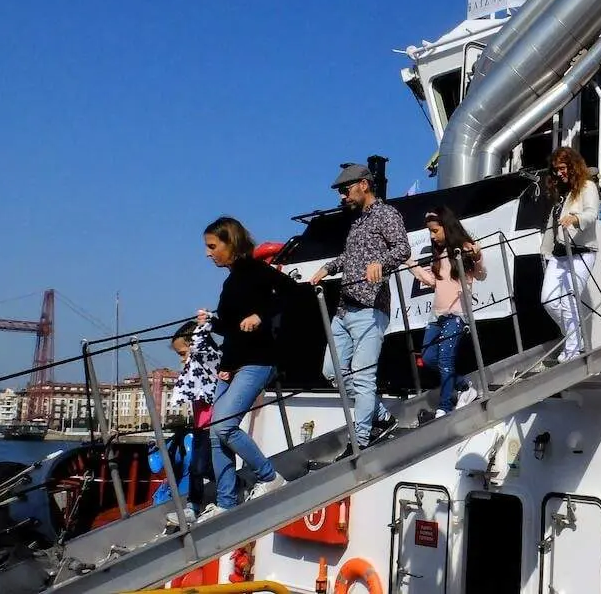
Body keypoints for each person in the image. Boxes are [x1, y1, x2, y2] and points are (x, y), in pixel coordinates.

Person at [197, 216, 295, 521]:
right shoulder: (230, 281)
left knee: (224, 426)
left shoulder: (254, 270)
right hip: (233, 364)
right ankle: (226, 502)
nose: (208, 253)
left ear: (231, 243)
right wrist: (212, 321)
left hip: (258, 361)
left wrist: (260, 316)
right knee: (215, 434)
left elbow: (291, 293)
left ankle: (270, 477)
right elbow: (229, 326)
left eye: (212, 246)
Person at [309, 163, 410, 458]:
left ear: (363, 185)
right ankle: (380, 416)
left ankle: (362, 440)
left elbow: (402, 249)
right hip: (344, 310)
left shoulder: (387, 214)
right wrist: (329, 266)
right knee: (332, 371)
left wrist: (383, 264)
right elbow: (349, 256)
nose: (342, 196)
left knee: (363, 378)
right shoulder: (356, 223)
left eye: (345, 189)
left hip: (370, 308)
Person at [405, 207, 484, 418]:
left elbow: (481, 275)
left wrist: (477, 257)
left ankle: (445, 406)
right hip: (437, 315)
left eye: (435, 230)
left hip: (456, 315)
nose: (432, 236)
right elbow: (433, 281)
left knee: (446, 359)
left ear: (446, 228)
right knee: (429, 358)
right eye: (430, 231)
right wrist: (410, 263)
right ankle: (465, 386)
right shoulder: (438, 254)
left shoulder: (464, 249)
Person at [540, 147, 600, 364]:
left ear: (573, 167)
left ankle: (573, 350)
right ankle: (576, 338)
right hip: (558, 254)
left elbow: (592, 213)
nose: (559, 173)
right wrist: (545, 249)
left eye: (563, 168)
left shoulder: (587, 186)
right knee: (548, 300)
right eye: (556, 169)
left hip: (581, 252)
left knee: (569, 299)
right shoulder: (560, 192)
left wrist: (575, 219)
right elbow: (552, 224)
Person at [163, 321, 218, 527]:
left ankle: (194, 507)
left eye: (183, 353)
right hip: (201, 425)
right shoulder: (194, 371)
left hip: (211, 424)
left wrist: (203, 327)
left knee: (200, 466)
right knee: (200, 466)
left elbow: (202, 350)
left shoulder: (206, 364)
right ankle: (194, 505)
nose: (182, 359)